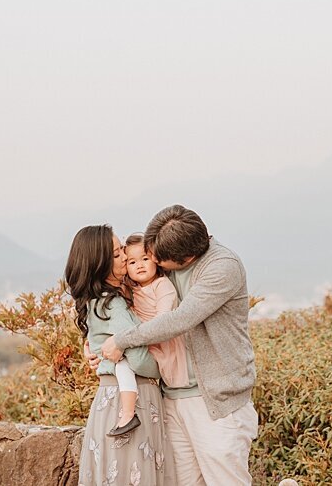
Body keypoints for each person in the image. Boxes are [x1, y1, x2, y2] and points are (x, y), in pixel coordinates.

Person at [99, 205, 258, 486]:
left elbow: (181, 319)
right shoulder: (167, 254)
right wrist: (102, 350)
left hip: (215, 404)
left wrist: (122, 341)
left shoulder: (222, 267)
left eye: (159, 259)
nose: (153, 263)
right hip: (171, 398)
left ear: (186, 258)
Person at [65, 224, 176, 486]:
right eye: (116, 255)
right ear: (100, 264)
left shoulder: (101, 301)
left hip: (110, 397)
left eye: (122, 250)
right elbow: (137, 359)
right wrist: (163, 370)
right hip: (133, 400)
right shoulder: (112, 303)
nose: (125, 257)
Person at [108, 233, 190, 436]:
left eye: (145, 259)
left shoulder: (162, 286)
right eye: (133, 261)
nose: (140, 265)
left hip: (162, 347)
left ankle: (128, 414)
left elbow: (163, 322)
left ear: (155, 259)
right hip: (144, 345)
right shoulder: (129, 290)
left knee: (123, 363)